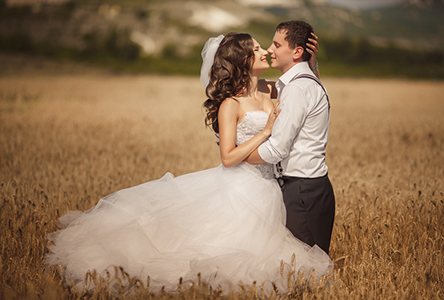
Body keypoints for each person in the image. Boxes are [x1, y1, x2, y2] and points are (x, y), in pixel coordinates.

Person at [45, 32, 332, 294]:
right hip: (243, 186)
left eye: (264, 47)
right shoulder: (230, 103)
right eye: (257, 49)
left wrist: (310, 62)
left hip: (272, 186)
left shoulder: (270, 90)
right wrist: (266, 132)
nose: (265, 52)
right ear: (242, 60)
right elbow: (228, 157)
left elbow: (302, 88)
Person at [245, 21, 335, 255]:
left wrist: (239, 158)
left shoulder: (297, 88)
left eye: (276, 44)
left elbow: (277, 149)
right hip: (306, 188)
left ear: (296, 52)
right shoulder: (298, 83)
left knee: (305, 269)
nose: (269, 50)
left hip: (302, 191)